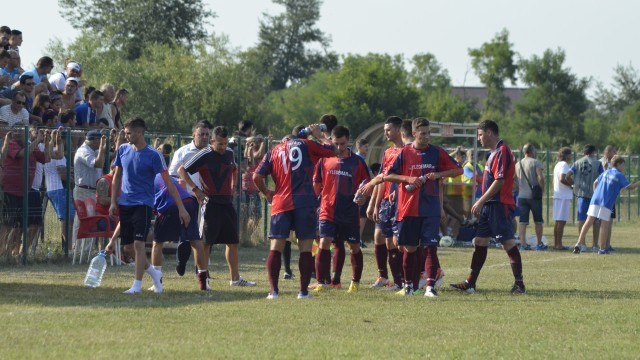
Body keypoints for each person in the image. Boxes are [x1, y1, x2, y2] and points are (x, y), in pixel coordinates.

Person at [105, 117, 190, 294]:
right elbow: (117, 177)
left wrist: (181, 207)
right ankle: (153, 273)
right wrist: (113, 201)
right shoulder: (123, 150)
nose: (126, 136)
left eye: (128, 133)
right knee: (128, 248)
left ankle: (136, 285)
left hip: (143, 204)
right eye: (125, 133)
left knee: (138, 245)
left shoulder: (154, 155)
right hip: (125, 203)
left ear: (139, 133)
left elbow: (169, 183)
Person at [253, 123, 336, 300]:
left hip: (281, 202)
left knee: (276, 247)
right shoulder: (306, 144)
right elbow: (333, 150)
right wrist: (319, 134)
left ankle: (273, 291)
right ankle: (303, 292)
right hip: (304, 201)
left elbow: (256, 176)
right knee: (305, 248)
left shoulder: (274, 150)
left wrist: (267, 192)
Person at [383, 117, 462, 297]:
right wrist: (408, 179)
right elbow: (389, 176)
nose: (427, 137)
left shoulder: (436, 152)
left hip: (430, 208)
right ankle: (409, 286)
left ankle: (429, 288)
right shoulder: (404, 153)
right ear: (415, 134)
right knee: (409, 249)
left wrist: (439, 174)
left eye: (429, 133)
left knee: (430, 247)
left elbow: (458, 170)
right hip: (409, 208)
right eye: (423, 133)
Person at [450, 119, 526, 294]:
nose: (479, 139)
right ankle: (470, 283)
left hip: (498, 205)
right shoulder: (493, 153)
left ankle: (519, 284)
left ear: (490, 133)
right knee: (479, 241)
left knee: (507, 243)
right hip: (489, 206)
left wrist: (480, 200)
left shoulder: (502, 151)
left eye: (480, 134)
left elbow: (499, 181)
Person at [179, 126, 256, 288]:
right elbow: (182, 171)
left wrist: (235, 186)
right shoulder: (204, 154)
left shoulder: (229, 153)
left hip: (227, 203)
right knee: (206, 243)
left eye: (225, 143)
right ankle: (204, 278)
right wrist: (195, 190)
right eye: (219, 144)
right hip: (210, 203)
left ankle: (235, 279)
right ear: (212, 141)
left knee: (233, 242)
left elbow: (234, 169)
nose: (223, 147)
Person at [312, 125, 370, 293]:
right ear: (332, 141)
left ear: (348, 141)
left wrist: (364, 195)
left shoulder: (357, 162)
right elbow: (317, 182)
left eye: (342, 144)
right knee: (324, 242)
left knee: (354, 247)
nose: (339, 148)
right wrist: (313, 203)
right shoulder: (325, 159)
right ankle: (322, 282)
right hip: (328, 210)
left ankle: (355, 282)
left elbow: (368, 183)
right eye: (336, 143)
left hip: (350, 212)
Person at [361, 116, 404, 291]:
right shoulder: (388, 152)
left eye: (388, 130)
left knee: (398, 243)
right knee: (380, 238)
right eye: (384, 129)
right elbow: (381, 179)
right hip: (386, 203)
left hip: (400, 204)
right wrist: (373, 204)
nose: (385, 133)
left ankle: (404, 280)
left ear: (399, 130)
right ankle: (384, 276)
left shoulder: (408, 151)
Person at [148, 173, 209, 291]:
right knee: (196, 241)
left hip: (170, 205)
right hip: (189, 202)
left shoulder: (146, 177)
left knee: (157, 243)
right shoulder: (166, 174)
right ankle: (204, 283)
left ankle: (157, 283)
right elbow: (181, 183)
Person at [168, 120, 212, 276]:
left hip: (208, 198)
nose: (205, 137)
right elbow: (173, 175)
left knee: (205, 235)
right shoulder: (183, 152)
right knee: (188, 234)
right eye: (201, 134)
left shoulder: (212, 152)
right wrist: (184, 193)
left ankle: (201, 269)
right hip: (189, 197)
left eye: (207, 134)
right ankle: (182, 261)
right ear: (194, 135)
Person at [0, 126, 51, 257]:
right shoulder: (12, 144)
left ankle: (15, 252)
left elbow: (46, 158)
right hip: (11, 190)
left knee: (19, 225)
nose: (17, 133)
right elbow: (22, 154)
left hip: (24, 191)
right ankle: (2, 252)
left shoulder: (30, 146)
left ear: (26, 133)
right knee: (7, 223)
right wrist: (37, 141)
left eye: (20, 131)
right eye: (15, 130)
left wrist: (46, 142)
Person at [576, 155, 640, 254]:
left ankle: (579, 243)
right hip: (606, 202)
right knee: (605, 225)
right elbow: (630, 187)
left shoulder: (606, 172)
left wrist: (596, 193)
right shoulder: (619, 175)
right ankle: (602, 249)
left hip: (595, 199)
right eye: (623, 165)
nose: (624, 167)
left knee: (588, 221)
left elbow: (595, 183)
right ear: (618, 164)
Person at [72, 129, 108, 258]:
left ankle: (85, 251)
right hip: (84, 190)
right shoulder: (83, 151)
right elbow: (98, 163)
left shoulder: (94, 150)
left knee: (91, 220)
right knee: (83, 220)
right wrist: (103, 147)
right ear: (95, 140)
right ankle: (78, 251)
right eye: (99, 141)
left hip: (93, 190)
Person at [567, 145, 603, 253]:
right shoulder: (598, 163)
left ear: (584, 152)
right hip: (594, 195)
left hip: (582, 194)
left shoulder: (577, 162)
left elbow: (567, 176)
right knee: (596, 221)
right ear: (594, 152)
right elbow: (602, 178)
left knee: (582, 220)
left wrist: (574, 184)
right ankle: (595, 245)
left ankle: (582, 244)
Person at [515, 143, 546, 251]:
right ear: (532, 151)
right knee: (538, 220)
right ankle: (538, 243)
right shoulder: (535, 162)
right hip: (534, 196)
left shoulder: (518, 164)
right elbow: (540, 177)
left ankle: (523, 244)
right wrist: (542, 190)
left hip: (522, 196)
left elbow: (514, 180)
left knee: (523, 221)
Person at [552, 147, 573, 250]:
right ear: (566, 155)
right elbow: (562, 179)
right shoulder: (564, 165)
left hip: (559, 195)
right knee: (561, 221)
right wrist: (571, 185)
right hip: (563, 195)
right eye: (570, 154)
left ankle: (557, 243)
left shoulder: (557, 165)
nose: (571, 156)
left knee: (558, 221)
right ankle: (558, 244)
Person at [599, 145, 617, 251]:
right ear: (608, 152)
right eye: (614, 151)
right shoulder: (600, 163)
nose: (616, 153)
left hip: (611, 196)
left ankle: (607, 244)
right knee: (602, 221)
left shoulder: (613, 164)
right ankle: (601, 245)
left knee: (609, 221)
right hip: (603, 196)